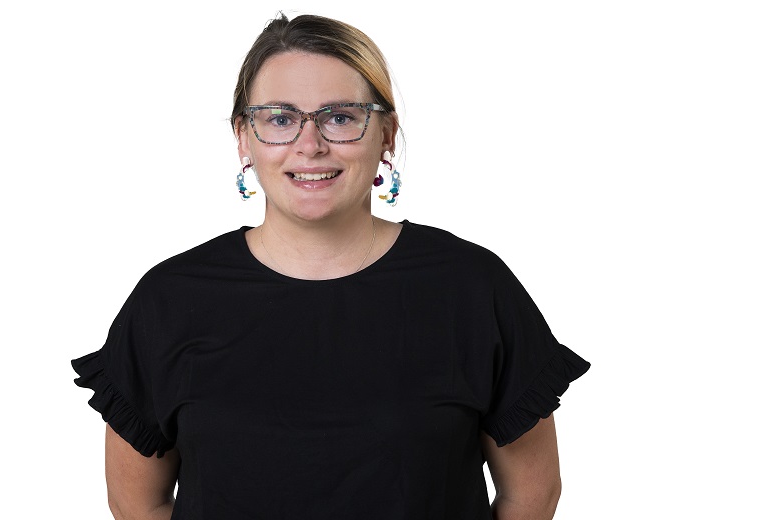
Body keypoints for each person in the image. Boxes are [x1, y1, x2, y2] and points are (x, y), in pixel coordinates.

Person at [72, 13, 590, 520]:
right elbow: (137, 505)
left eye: (340, 116)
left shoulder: (473, 289)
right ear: (243, 137)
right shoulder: (169, 300)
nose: (310, 144)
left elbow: (531, 496)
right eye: (279, 118)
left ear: (386, 134)